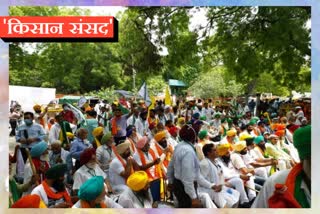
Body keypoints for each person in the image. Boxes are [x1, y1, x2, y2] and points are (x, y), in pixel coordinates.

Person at [252, 125, 311, 208]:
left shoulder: (279, 142)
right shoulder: (277, 181)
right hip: (271, 162)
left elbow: (280, 152)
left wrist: (288, 158)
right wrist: (271, 162)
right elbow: (262, 159)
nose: (277, 139)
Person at [167, 125, 217, 208]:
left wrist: (171, 181)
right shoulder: (188, 152)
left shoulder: (179, 147)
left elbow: (170, 166)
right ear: (193, 137)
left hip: (180, 185)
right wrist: (193, 197)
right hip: (185, 189)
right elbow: (187, 177)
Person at [199, 143, 240, 208]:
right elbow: (200, 180)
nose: (217, 151)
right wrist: (212, 186)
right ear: (208, 153)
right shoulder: (204, 163)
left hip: (219, 188)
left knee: (235, 194)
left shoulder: (216, 162)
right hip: (207, 190)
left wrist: (222, 184)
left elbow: (221, 176)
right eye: (214, 150)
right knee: (218, 194)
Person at [133, 136, 162, 202]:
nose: (149, 145)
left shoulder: (151, 150)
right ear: (142, 147)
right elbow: (140, 167)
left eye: (148, 144)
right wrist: (153, 163)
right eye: (147, 144)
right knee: (151, 199)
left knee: (157, 199)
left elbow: (157, 160)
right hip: (146, 180)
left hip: (155, 177)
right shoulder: (136, 155)